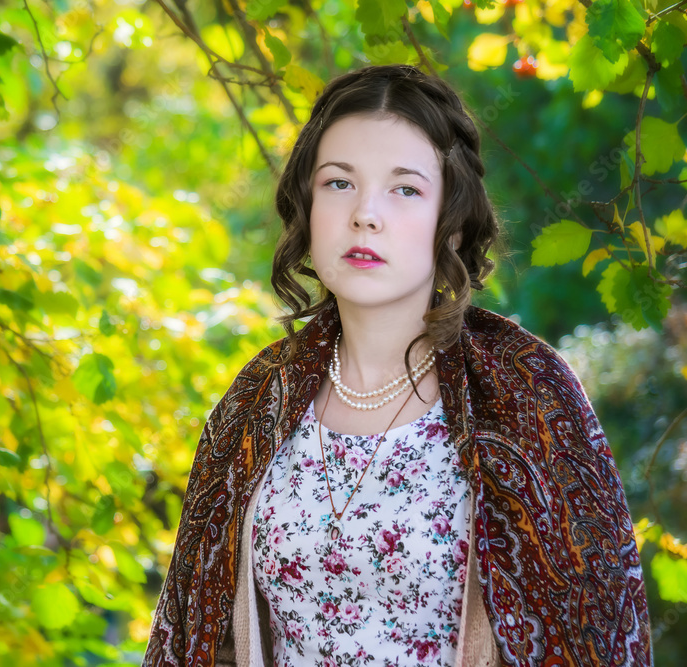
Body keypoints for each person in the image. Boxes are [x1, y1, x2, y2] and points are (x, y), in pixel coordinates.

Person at [143, 64, 652, 667]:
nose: (365, 214)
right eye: (338, 183)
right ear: (307, 203)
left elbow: (598, 633)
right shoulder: (258, 400)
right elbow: (198, 634)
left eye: (405, 189)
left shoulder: (527, 394)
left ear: (452, 223)